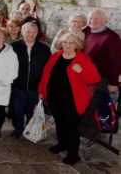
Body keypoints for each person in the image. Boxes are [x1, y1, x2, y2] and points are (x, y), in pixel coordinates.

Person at [38, 32, 100, 165]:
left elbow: (95, 79)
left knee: (71, 127)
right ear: (61, 43)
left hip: (73, 100)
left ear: (77, 44)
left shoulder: (82, 59)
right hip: (55, 97)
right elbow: (46, 74)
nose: (68, 45)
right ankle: (62, 144)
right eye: (65, 42)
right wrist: (42, 91)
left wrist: (81, 71)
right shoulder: (56, 56)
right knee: (59, 123)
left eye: (72, 42)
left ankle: (73, 154)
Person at [80, 9, 121, 147]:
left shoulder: (111, 37)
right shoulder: (85, 31)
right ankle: (79, 132)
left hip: (99, 79)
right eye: (91, 18)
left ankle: (89, 136)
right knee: (80, 105)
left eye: (97, 18)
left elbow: (116, 61)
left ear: (105, 20)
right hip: (82, 77)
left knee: (91, 107)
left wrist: (113, 82)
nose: (93, 21)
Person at [10, 22, 51, 138]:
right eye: (28, 32)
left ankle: (29, 129)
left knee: (32, 111)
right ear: (22, 32)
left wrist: (43, 88)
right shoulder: (14, 47)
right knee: (17, 110)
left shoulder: (44, 49)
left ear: (37, 33)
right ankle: (18, 129)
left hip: (36, 87)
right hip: (18, 86)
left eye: (34, 32)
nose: (31, 34)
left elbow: (47, 70)